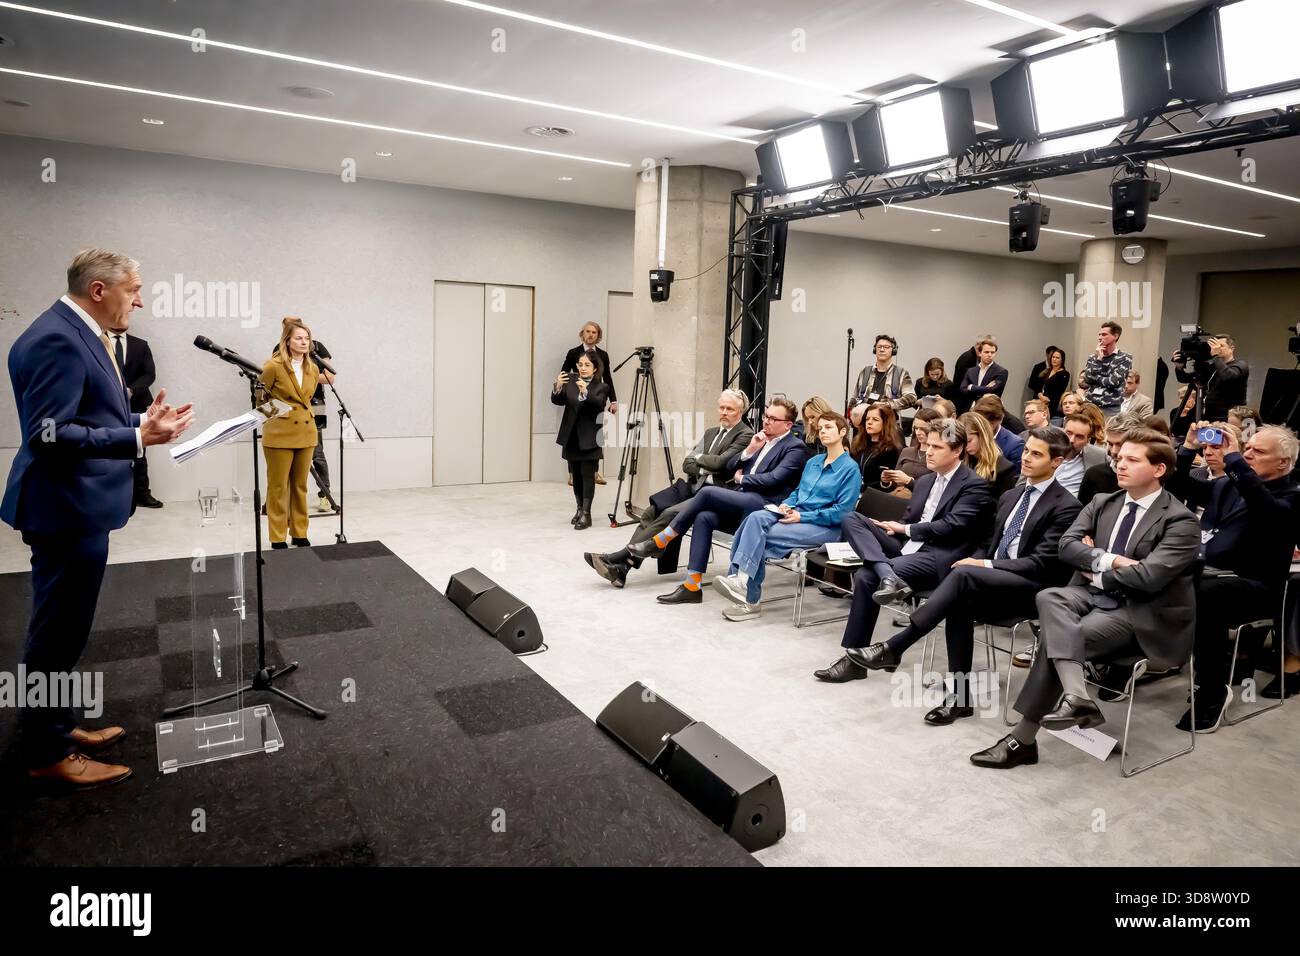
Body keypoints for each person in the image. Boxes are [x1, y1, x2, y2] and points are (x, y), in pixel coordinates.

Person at [2, 249, 194, 788]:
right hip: (64, 508)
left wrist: (142, 419)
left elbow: (88, 414)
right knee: (55, 635)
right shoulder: (57, 338)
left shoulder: (77, 330)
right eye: (134, 289)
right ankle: (46, 752)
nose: (140, 299)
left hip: (77, 507)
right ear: (99, 291)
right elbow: (48, 433)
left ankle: (58, 727)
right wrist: (135, 438)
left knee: (64, 630)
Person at [969, 429, 1201, 770]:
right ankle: (1075, 697)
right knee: (1049, 596)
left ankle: (1024, 739)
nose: (1119, 464)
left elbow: (1150, 578)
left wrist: (1097, 562)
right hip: (1089, 595)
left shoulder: (1180, 520)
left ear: (1159, 470)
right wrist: (1115, 560)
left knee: (1057, 639)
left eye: (1132, 460)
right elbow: (1067, 547)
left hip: (1140, 611)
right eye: (1119, 457)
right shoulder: (1102, 502)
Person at [848, 428, 1082, 720]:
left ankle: (896, 646)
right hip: (992, 578)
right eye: (1026, 451)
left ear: (1057, 462)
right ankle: (959, 699)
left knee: (962, 577)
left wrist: (984, 565)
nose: (1026, 458)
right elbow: (989, 542)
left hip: (1031, 588)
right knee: (960, 595)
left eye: (1037, 454)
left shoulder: (1067, 506)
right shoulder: (1012, 495)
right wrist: (981, 561)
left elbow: (1042, 564)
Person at [813, 418, 992, 682]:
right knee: (852, 519)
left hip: (938, 555)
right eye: (927, 445)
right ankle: (887, 574)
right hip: (908, 546)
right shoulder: (925, 481)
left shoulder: (973, 485)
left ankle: (853, 659)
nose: (928, 452)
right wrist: (892, 528)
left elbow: (951, 527)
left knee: (865, 576)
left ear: (957, 451)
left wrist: (904, 530)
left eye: (937, 447)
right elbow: (911, 519)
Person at [1172, 423, 1300, 724]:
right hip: (1208, 572)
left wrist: (1234, 460)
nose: (1248, 454)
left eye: (1258, 451)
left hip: (1256, 588)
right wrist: (1188, 449)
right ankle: (1145, 659)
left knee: (1207, 594)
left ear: (1283, 462)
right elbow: (1179, 487)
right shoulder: (1227, 484)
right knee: (1165, 575)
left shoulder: (1293, 496)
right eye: (1248, 447)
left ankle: (1213, 689)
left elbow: (1264, 509)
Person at [624, 398, 808, 603]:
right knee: (704, 517)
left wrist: (743, 478)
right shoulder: (761, 440)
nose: (766, 422)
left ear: (788, 425)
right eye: (766, 416)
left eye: (773, 419)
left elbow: (774, 479)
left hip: (765, 504)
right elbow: (728, 466)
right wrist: (750, 451)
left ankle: (661, 540)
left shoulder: (794, 447)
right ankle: (692, 586)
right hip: (744, 498)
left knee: (707, 493)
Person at [585, 390, 753, 588]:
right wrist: (703, 462)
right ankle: (622, 569)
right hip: (694, 486)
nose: (724, 412)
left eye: (730, 409)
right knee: (652, 510)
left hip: (716, 493)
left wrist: (700, 460)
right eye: (721, 407)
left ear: (740, 411)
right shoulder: (711, 433)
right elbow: (687, 463)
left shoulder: (745, 434)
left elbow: (721, 464)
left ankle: (618, 557)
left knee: (669, 513)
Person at [712, 413, 861, 620]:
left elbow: (842, 513)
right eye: (820, 428)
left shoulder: (850, 469)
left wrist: (802, 517)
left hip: (824, 527)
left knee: (758, 538)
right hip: (795, 514)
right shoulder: (814, 462)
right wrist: (786, 505)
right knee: (754, 519)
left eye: (828, 427)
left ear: (843, 432)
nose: (823, 432)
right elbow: (798, 492)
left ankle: (746, 591)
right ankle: (742, 584)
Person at [260, 318, 332, 548]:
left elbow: (308, 398)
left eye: (307, 338)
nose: (304, 342)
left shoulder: (312, 368)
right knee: (278, 487)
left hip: (306, 431)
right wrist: (278, 414)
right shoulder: (273, 365)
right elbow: (259, 398)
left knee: (300, 486)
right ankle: (277, 536)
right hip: (279, 434)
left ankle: (300, 532)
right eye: (299, 338)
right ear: (287, 341)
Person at [551, 350, 609, 530]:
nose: (583, 368)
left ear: (595, 368)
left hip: (590, 437)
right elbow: (558, 401)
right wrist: (558, 387)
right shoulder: (572, 383)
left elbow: (598, 405)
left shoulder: (601, 387)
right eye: (580, 365)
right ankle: (578, 509)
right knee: (575, 475)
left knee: (587, 475)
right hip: (572, 436)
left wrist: (586, 393)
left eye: (587, 365)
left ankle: (587, 513)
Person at [562, 323, 618, 486]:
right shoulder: (573, 353)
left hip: (595, 400)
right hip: (576, 400)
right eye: (588, 331)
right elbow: (564, 373)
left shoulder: (603, 355)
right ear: (582, 334)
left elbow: (608, 378)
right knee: (574, 435)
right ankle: (572, 473)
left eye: (594, 332)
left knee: (596, 436)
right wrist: (564, 391)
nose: (591, 335)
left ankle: (594, 472)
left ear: (598, 336)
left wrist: (613, 400)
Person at [113, 327, 162, 508]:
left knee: (139, 450)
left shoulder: (141, 345)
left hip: (137, 403)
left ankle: (142, 494)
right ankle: (117, 496)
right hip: (109, 404)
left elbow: (150, 374)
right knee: (112, 447)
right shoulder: (98, 342)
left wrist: (131, 390)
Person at [1172, 334, 1248, 422]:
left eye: (1221, 346)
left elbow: (1227, 376)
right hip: (1208, 415)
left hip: (1228, 417)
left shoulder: (1240, 365)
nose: (1217, 349)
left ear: (1232, 348)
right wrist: (1179, 368)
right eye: (1214, 346)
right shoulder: (1212, 367)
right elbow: (1185, 379)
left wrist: (1215, 356)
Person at [1077, 413, 1144, 506]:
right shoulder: (1094, 475)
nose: (1114, 451)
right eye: (1111, 444)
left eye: (1121, 444)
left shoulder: (1152, 477)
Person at [850, 335, 916, 424]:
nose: (882, 349)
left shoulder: (901, 373)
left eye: (886, 347)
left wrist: (887, 404)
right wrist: (853, 412)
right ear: (875, 350)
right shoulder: (865, 372)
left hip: (888, 424)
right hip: (864, 423)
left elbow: (911, 398)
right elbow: (854, 398)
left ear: (893, 350)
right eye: (879, 347)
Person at [880, 408, 939, 497]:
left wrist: (909, 482)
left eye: (923, 429)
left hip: (919, 501)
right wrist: (887, 481)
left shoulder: (939, 456)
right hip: (897, 496)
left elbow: (936, 491)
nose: (918, 432)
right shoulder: (907, 451)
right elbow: (895, 484)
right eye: (916, 428)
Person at [1079, 321, 1133, 415]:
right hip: (1090, 406)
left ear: (1115, 336)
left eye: (1104, 334)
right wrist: (1099, 359)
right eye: (1099, 335)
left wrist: (1095, 378)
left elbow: (1113, 382)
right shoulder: (1093, 357)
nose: (1100, 338)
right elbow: (1087, 380)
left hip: (1110, 408)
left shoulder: (1124, 358)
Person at [961, 410, 1017, 498]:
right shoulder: (961, 462)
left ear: (983, 436)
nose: (965, 446)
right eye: (961, 442)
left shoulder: (1004, 468)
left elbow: (1001, 506)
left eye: (969, 441)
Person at [1054, 413, 1108, 498]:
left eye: (1079, 437)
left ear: (1088, 441)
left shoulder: (1098, 455)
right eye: (1069, 433)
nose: (1071, 440)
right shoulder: (1045, 449)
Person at [851, 403, 902, 491]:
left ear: (885, 423)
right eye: (867, 419)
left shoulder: (891, 450)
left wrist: (859, 488)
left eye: (875, 419)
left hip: (873, 496)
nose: (869, 422)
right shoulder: (858, 444)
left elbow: (886, 484)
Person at [972, 395, 1024, 470]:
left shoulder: (1015, 445)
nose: (982, 428)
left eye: (989, 424)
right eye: (979, 423)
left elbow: (1013, 478)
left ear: (1000, 420)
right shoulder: (971, 433)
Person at [958, 337, 1007, 411]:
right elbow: (962, 389)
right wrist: (985, 388)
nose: (990, 355)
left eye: (992, 352)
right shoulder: (971, 371)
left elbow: (993, 390)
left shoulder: (1001, 371)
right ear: (980, 353)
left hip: (989, 410)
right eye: (986, 352)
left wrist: (972, 387)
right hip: (970, 409)